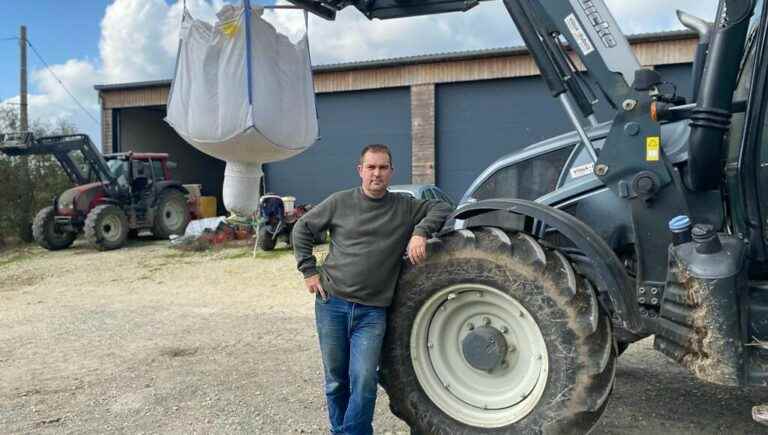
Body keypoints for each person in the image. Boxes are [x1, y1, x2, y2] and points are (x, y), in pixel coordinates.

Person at [292, 144, 452, 435]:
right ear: (360, 170)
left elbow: (442, 206)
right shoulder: (340, 202)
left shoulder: (404, 206)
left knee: (364, 380)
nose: (376, 173)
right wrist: (308, 271)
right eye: (371, 167)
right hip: (332, 304)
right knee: (336, 380)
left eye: (382, 167)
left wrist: (420, 232)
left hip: (372, 312)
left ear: (391, 171)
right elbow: (301, 228)